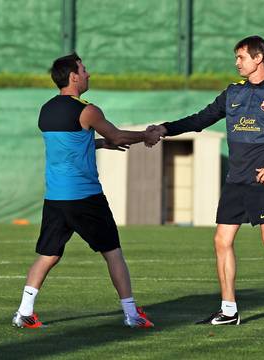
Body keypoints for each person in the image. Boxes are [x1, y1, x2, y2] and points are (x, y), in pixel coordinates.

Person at [148, 35, 264, 326]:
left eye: (241, 57)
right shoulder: (232, 93)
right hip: (236, 180)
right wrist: (165, 128)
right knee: (222, 240)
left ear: (259, 58)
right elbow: (200, 119)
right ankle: (228, 310)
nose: (236, 62)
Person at [12, 53, 160, 329]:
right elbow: (117, 135)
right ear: (73, 76)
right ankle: (131, 314)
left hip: (55, 198)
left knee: (48, 255)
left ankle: (24, 312)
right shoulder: (87, 110)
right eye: (84, 69)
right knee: (113, 252)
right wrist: (146, 136)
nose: (88, 74)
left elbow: (68, 146)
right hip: (84, 197)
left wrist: (101, 144)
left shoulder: (46, 110)